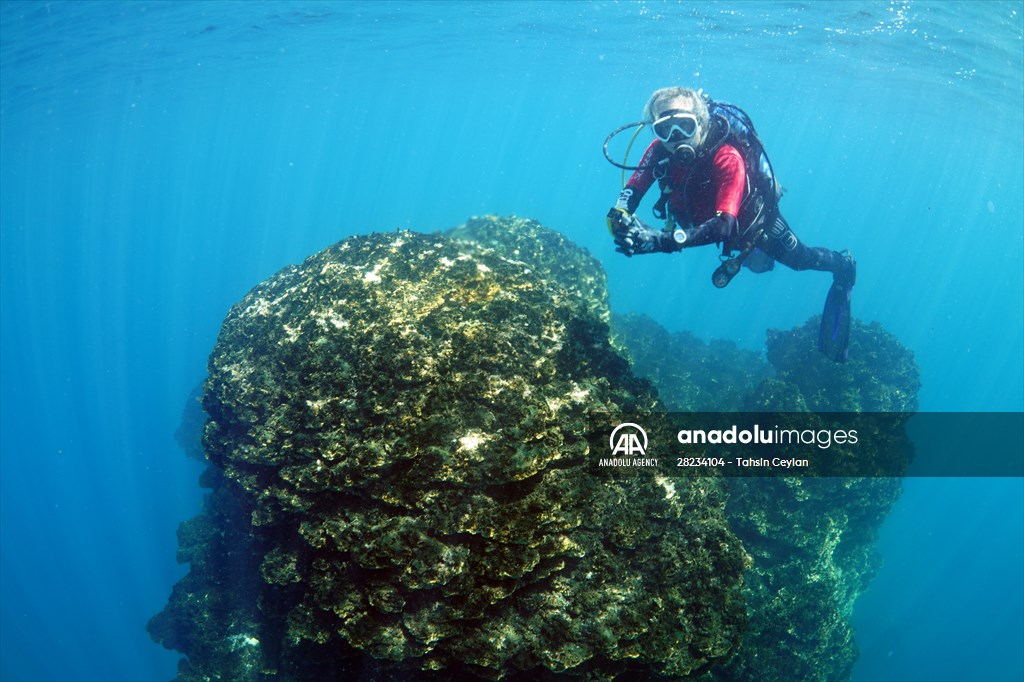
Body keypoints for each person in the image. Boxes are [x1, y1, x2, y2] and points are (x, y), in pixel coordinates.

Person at [605, 86, 857, 361]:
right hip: (701, 227)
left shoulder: (727, 157)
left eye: (685, 126)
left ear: (701, 122)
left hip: (754, 227)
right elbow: (630, 194)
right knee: (756, 264)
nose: (676, 139)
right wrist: (618, 221)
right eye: (665, 129)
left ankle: (843, 266)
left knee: (799, 260)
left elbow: (723, 226)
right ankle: (750, 258)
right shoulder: (657, 152)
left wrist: (659, 241)